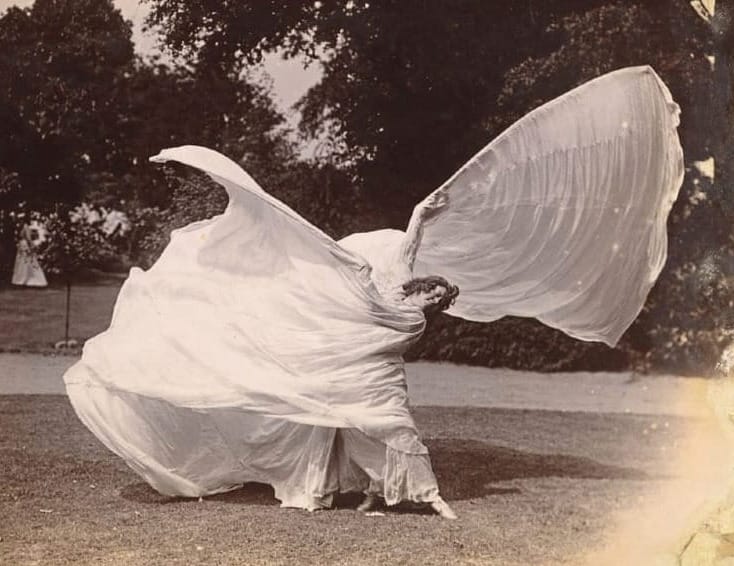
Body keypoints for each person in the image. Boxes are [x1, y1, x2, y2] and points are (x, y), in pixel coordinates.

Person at [64, 66, 684, 522]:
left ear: (431, 300)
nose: (431, 292)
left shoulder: (403, 316)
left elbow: (394, 292)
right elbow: (391, 271)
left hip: (366, 374)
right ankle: (362, 494)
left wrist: (425, 219)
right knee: (344, 428)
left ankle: (415, 496)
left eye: (434, 293)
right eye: (431, 288)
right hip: (355, 369)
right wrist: (425, 219)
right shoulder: (388, 294)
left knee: (375, 425)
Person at [11, 222, 47, 287]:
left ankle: (20, 279)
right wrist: (32, 245)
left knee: (23, 261)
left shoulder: (19, 227)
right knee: (29, 261)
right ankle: (29, 279)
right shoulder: (26, 226)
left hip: (21, 244)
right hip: (25, 245)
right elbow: (28, 238)